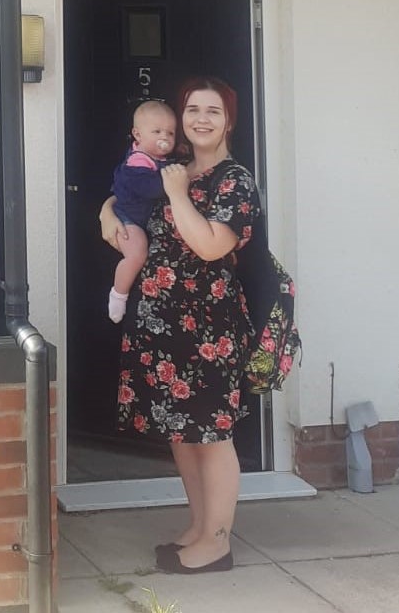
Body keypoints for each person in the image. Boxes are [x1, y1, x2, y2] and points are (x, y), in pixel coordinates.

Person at [100, 76, 259, 575]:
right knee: (181, 433)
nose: (201, 119)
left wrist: (178, 194)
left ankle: (217, 543)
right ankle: (197, 525)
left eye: (212, 110)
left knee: (212, 435)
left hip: (209, 327)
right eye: (193, 109)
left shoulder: (234, 180)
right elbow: (126, 195)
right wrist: (106, 212)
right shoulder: (174, 167)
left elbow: (211, 244)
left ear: (228, 119)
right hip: (162, 321)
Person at [106, 100, 177, 323]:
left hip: (136, 217)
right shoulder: (138, 162)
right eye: (156, 131)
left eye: (171, 133)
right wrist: (175, 178)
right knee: (136, 254)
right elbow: (150, 188)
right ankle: (118, 294)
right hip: (128, 219)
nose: (164, 138)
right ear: (137, 134)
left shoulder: (157, 159)